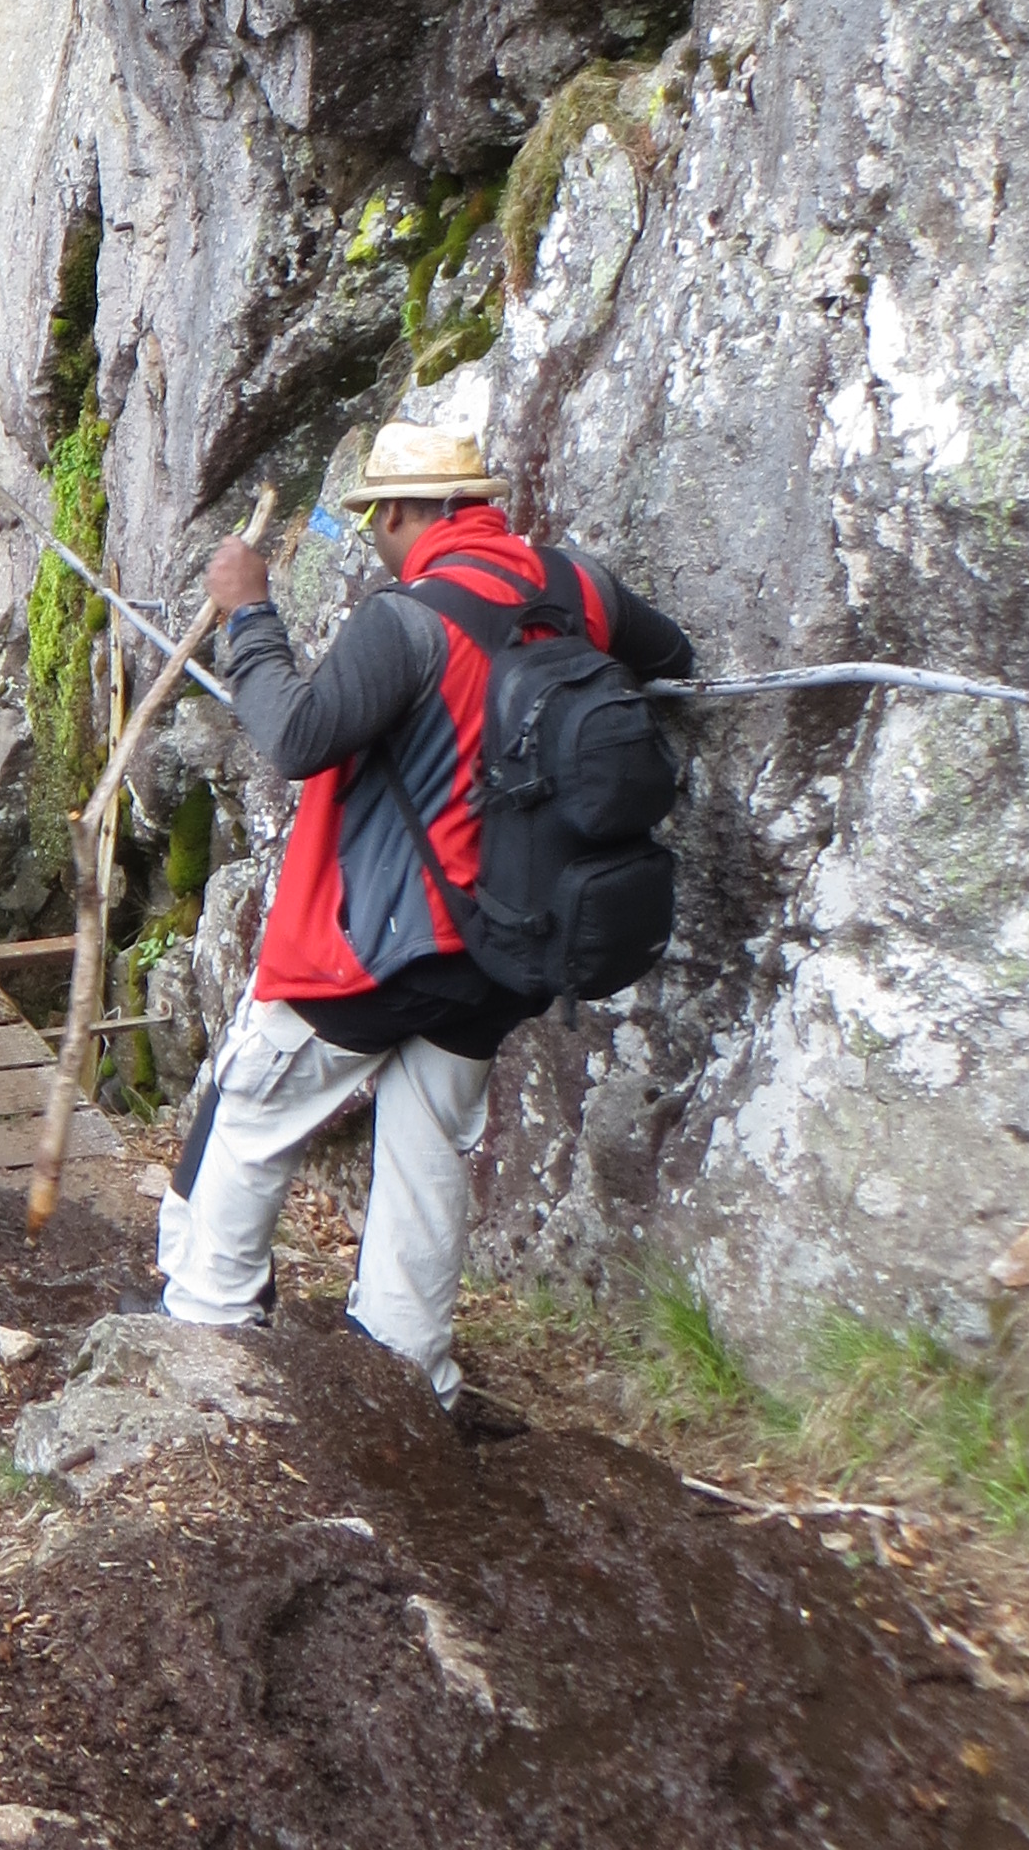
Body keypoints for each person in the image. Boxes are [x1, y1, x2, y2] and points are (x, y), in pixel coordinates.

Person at [154, 418, 694, 1410]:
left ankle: (209, 1344)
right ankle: (409, 1379)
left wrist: (250, 614)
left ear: (404, 512)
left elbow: (297, 736)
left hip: (381, 948)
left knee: (255, 1115)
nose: (373, 538)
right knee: (426, 1147)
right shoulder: (577, 587)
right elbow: (673, 655)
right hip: (506, 948)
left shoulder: (407, 619)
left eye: (376, 520)